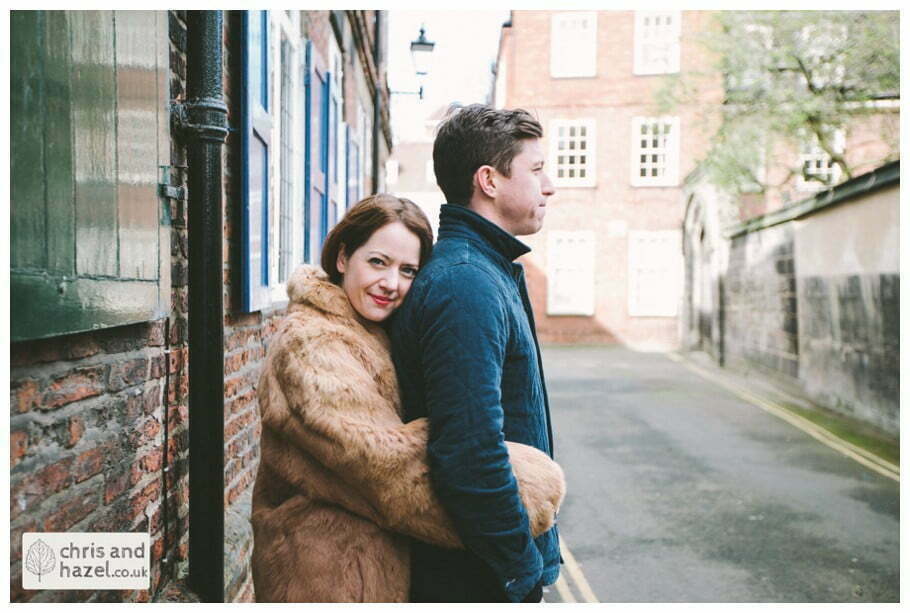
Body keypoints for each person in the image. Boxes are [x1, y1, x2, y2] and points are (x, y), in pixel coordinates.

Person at [250, 194, 566, 602]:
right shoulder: (312, 344)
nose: (391, 283)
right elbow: (389, 469)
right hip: (322, 577)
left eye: (408, 270)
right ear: (344, 257)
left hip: (367, 571)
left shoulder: (371, 330)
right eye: (378, 262)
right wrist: (531, 485)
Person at [387, 104, 559, 603]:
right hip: (475, 576)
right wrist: (519, 569)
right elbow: (468, 450)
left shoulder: (485, 270)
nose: (549, 186)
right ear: (489, 180)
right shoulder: (467, 282)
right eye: (536, 169)